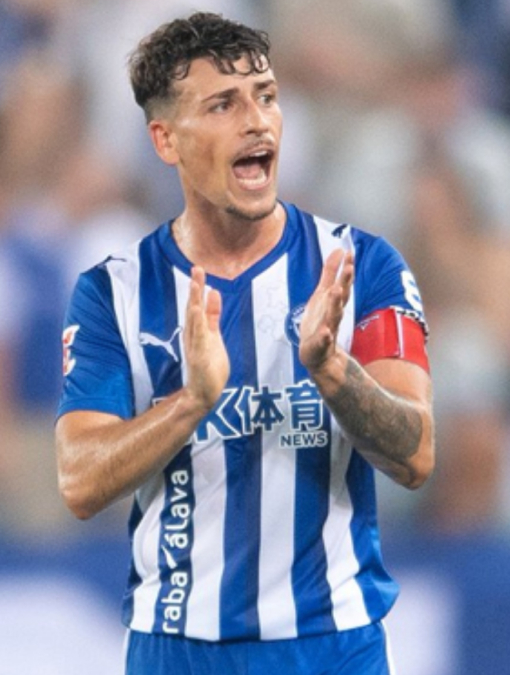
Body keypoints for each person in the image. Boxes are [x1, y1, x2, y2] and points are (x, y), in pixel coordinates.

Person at [53, 12, 435, 675]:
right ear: (165, 139)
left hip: (332, 646)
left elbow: (416, 453)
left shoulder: (361, 267)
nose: (257, 121)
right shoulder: (113, 293)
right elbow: (80, 479)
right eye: (223, 105)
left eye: (266, 96)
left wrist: (333, 372)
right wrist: (191, 401)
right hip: (177, 650)